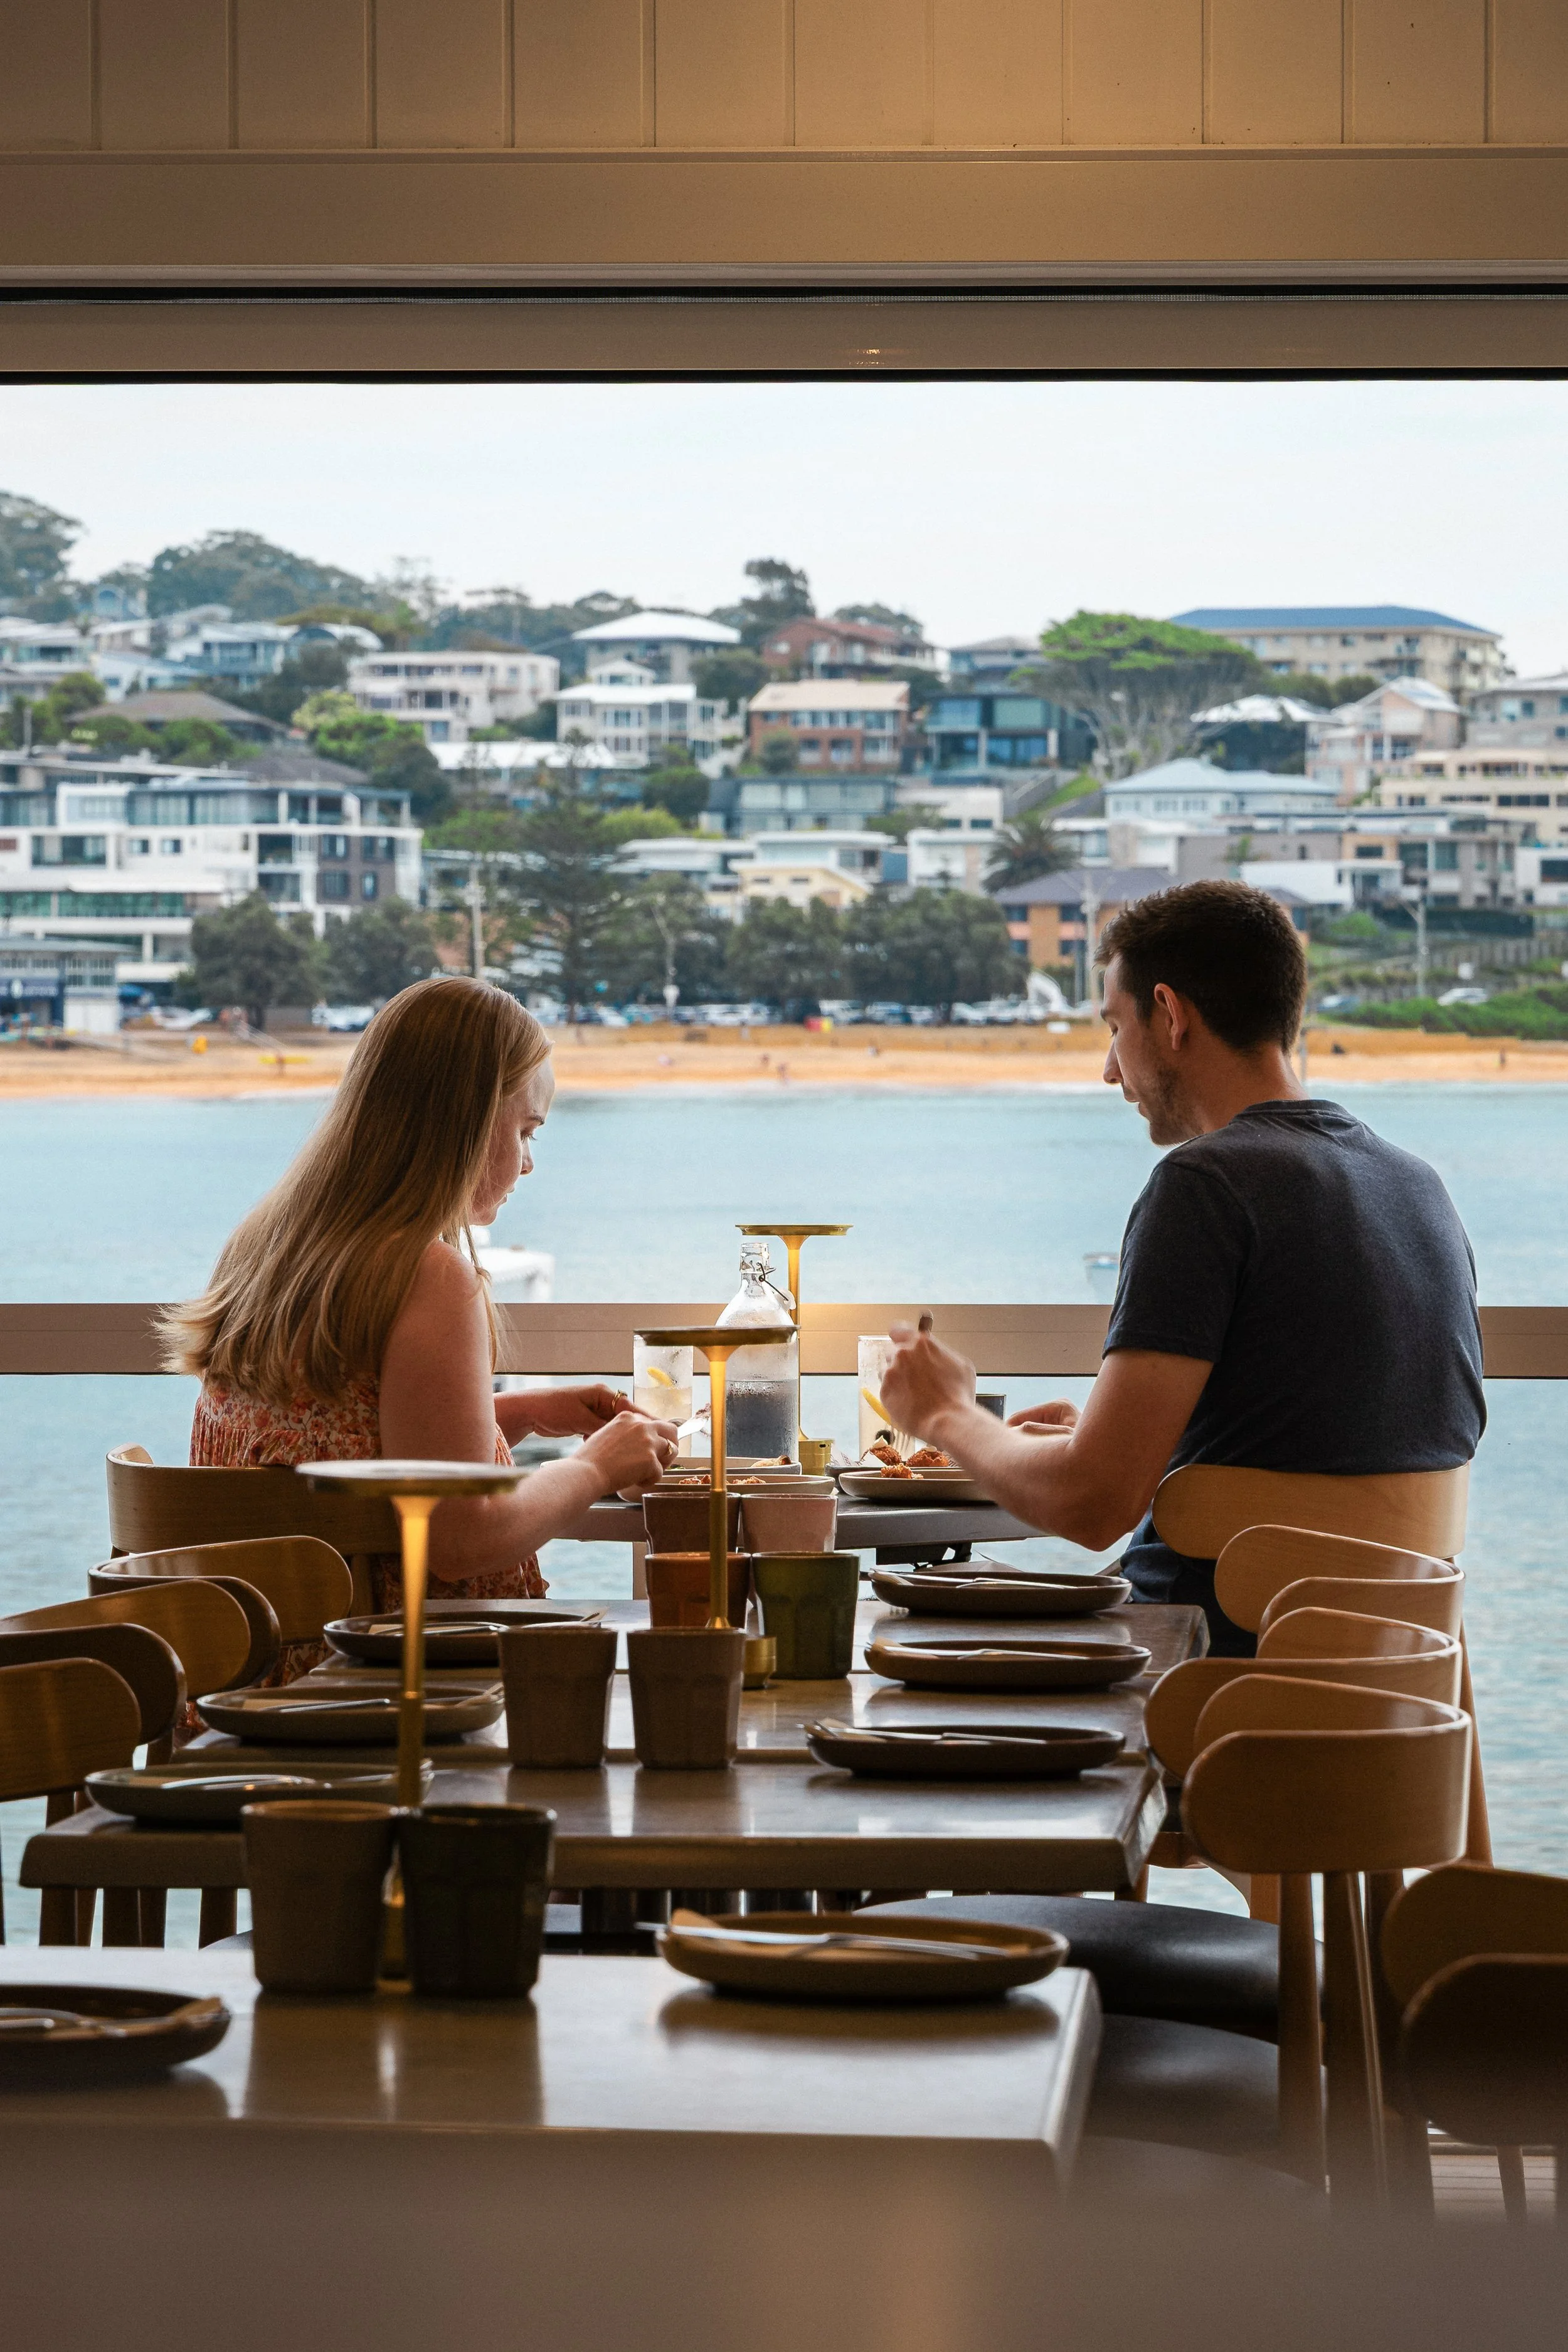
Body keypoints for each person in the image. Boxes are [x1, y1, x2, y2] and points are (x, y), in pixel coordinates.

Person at [879, 879, 1485, 1655]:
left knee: (893, 1648)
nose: (1108, 1070)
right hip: (1391, 1697)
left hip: (1193, 1689)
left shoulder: (1205, 1187)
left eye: (1113, 1026)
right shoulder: (1416, 1186)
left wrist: (945, 1415)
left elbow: (1094, 1505)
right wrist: (1159, 1443)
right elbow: (1323, 1449)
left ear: (1170, 1015)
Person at [163, 976, 678, 1640]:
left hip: (251, 1680)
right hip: (383, 1687)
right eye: (525, 1131)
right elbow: (461, 1539)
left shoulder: (267, 1246)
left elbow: (338, 1439)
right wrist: (592, 1468)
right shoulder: (428, 1277)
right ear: (460, 1123)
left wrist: (514, 1415)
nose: (527, 1164)